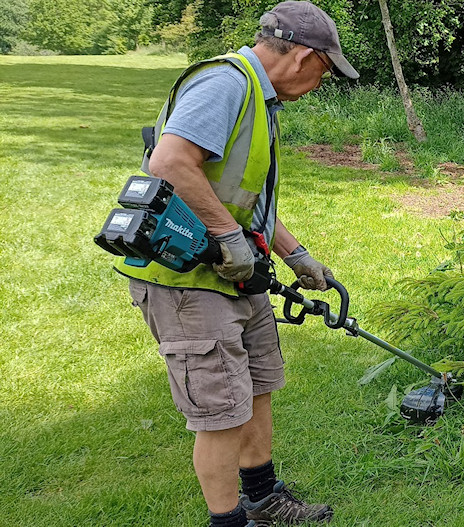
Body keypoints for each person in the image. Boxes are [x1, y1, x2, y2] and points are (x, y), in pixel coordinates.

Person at [116, 2, 359, 525]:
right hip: (186, 281)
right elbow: (171, 161)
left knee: (258, 386)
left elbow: (239, 199)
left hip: (232, 272)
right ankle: (228, 521)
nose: (321, 82)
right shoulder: (227, 84)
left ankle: (264, 497)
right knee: (220, 410)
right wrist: (229, 238)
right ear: (303, 57)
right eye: (325, 70)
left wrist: (296, 256)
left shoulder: (259, 99)